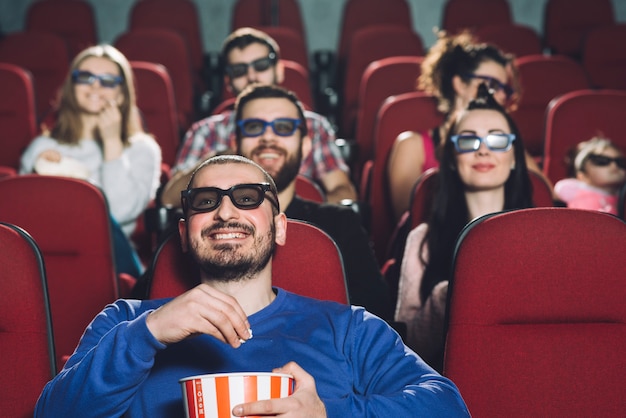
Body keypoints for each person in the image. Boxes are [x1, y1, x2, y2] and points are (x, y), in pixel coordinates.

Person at [35, 154, 470, 417]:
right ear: (184, 234)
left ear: (279, 228)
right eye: (206, 202)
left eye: (247, 198)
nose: (226, 212)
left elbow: (448, 408)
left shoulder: (349, 328)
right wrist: (146, 334)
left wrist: (332, 414)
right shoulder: (126, 322)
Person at [394, 86, 534, 372]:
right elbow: (406, 345)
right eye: (469, 140)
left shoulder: (544, 238)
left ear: (515, 157)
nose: (483, 149)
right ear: (452, 160)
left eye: (497, 139)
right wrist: (449, 295)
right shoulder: (423, 239)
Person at [233, 83, 392, 319]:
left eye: (284, 127)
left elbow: (377, 318)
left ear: (305, 146)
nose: (268, 137)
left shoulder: (339, 224)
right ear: (235, 144)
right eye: (254, 127)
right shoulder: (210, 225)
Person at [160, 27, 356, 207]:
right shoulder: (205, 131)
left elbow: (342, 191)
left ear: (278, 71)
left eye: (261, 66)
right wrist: (224, 156)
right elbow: (170, 200)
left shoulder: (314, 126)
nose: (252, 76)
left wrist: (300, 212)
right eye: (239, 70)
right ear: (228, 81)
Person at [19, 44, 162, 277]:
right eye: (85, 77)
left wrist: (112, 142)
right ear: (71, 87)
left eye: (107, 81)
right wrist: (40, 177)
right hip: (47, 254)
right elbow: (25, 219)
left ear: (122, 93)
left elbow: (119, 211)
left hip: (110, 259)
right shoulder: (43, 148)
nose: (95, 86)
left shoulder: (142, 149)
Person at [387, 31, 544, 221]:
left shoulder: (505, 146)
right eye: (491, 85)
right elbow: (410, 218)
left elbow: (545, 197)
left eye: (505, 88)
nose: (501, 96)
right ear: (460, 84)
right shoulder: (412, 145)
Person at [554, 136, 626, 215]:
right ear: (582, 175)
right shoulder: (573, 188)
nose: (614, 166)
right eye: (601, 161)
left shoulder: (622, 199)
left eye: (620, 162)